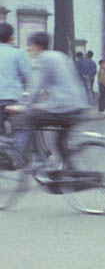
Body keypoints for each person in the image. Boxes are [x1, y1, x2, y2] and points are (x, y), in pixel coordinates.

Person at [13, 32, 89, 168]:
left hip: (63, 106)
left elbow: (35, 86)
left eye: (31, 45)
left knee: (31, 119)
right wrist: (40, 104)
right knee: (60, 142)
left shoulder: (44, 59)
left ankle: (37, 159)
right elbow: (55, 84)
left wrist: (24, 105)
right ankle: (69, 170)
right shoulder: (59, 55)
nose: (30, 49)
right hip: (77, 104)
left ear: (38, 46)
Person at [0, 23, 31, 135]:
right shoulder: (18, 53)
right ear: (11, 37)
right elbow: (27, 75)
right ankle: (17, 151)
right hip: (12, 97)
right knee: (21, 128)